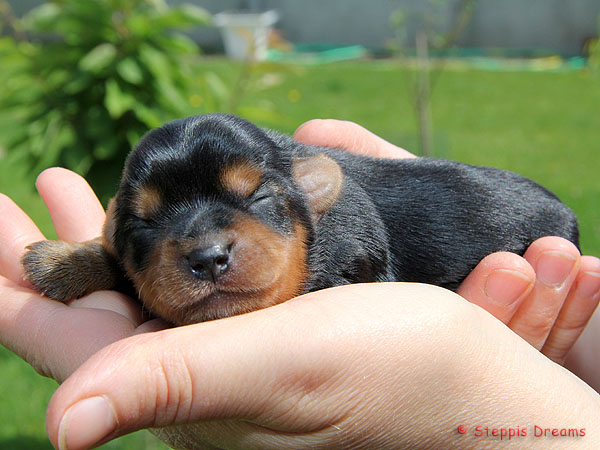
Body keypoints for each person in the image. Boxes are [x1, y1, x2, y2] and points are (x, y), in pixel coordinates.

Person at [0, 119, 598, 450]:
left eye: (256, 198)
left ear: (311, 192)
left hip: (533, 233)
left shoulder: (345, 235)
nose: (206, 251)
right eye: (148, 223)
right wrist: (101, 261)